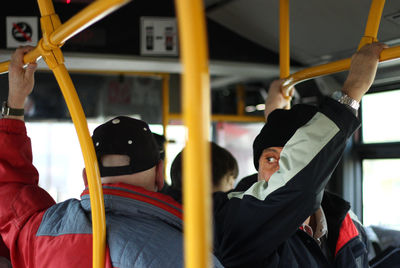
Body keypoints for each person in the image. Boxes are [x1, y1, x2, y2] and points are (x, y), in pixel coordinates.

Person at [0, 46, 223, 267]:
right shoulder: (186, 255)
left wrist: (15, 101)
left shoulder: (45, 233)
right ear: (159, 174)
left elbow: (8, 191)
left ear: (87, 178)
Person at [212, 42, 388, 268]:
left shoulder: (347, 222)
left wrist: (275, 117)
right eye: (271, 159)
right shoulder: (233, 220)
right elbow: (291, 186)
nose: (281, 170)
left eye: (289, 159)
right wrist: (352, 92)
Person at [161, 141, 239, 203]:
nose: (232, 188)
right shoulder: (214, 213)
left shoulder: (164, 203)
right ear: (206, 181)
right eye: (230, 182)